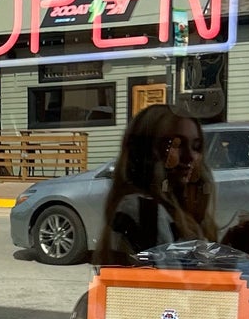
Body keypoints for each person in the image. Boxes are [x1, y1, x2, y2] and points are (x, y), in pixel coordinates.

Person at [93, 103, 218, 265]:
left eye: (196, 146)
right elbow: (170, 286)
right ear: (146, 152)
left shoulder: (175, 209)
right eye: (175, 145)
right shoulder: (145, 210)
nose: (190, 157)